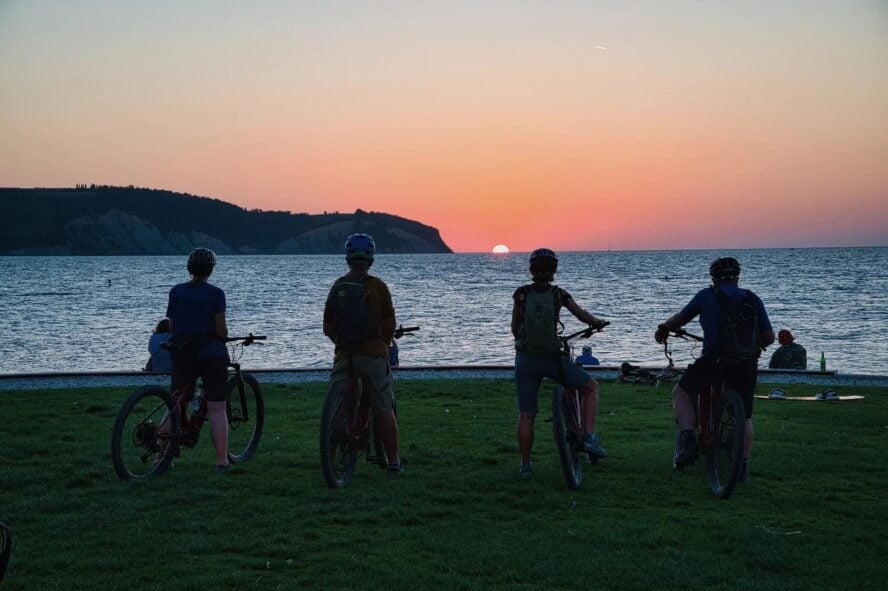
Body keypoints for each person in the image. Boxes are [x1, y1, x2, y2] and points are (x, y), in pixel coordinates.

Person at [655, 256, 774, 483]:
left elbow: (680, 319)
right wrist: (752, 347)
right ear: (738, 277)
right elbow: (769, 336)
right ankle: (742, 466)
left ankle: (689, 439)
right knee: (746, 415)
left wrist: (662, 329)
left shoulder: (706, 296)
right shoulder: (752, 299)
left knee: (681, 393)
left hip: (714, 360)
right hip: (745, 364)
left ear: (713, 278)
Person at [511, 248, 609, 477]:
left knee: (526, 414)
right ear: (553, 270)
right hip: (552, 359)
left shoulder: (521, 294)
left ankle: (525, 465)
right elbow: (582, 315)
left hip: (526, 360)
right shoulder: (558, 294)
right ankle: (589, 438)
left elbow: (515, 328)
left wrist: (524, 341)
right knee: (590, 388)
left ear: (531, 269)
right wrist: (597, 323)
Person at [323, 234, 402, 473]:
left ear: (347, 258)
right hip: (373, 354)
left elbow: (328, 326)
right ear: (370, 259)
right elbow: (389, 321)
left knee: (338, 404)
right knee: (384, 408)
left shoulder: (338, 286)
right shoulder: (378, 286)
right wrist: (382, 345)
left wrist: (341, 343)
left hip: (344, 355)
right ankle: (394, 462)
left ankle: (331, 457)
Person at [165, 247, 231, 472]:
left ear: (189, 269)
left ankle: (161, 458)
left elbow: (173, 327)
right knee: (217, 407)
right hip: (210, 355)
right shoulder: (216, 294)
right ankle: (222, 461)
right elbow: (221, 331)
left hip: (183, 354)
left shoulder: (176, 291)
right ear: (211, 270)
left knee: (175, 402)